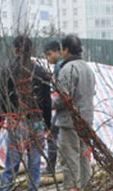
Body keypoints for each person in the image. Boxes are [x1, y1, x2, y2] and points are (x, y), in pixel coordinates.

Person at [0, 35, 52, 191]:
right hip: (37, 121)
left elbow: (3, 101)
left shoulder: (8, 71)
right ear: (31, 50)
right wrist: (47, 125)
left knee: (12, 161)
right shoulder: (40, 72)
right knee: (35, 160)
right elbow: (47, 102)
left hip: (16, 121)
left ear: (16, 50)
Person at [54, 34, 96, 191]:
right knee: (84, 158)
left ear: (65, 50)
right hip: (86, 120)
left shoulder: (67, 69)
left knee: (70, 159)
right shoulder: (88, 68)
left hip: (69, 122)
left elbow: (63, 98)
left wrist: (46, 104)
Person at [43, 40, 64, 175]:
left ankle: (51, 167)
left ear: (58, 51)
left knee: (52, 136)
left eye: (49, 54)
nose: (48, 58)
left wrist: (49, 104)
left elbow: (63, 92)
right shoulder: (65, 65)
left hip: (64, 109)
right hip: (70, 109)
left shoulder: (60, 66)